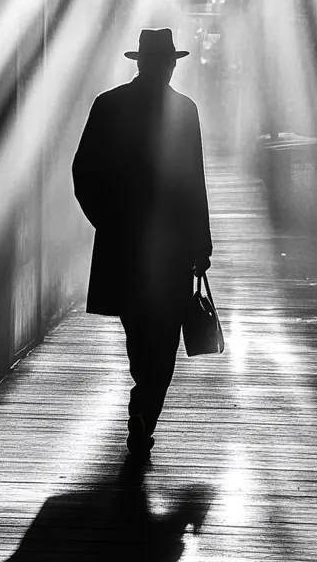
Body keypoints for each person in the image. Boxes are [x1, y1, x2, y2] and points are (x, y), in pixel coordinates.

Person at [72, 28, 212, 461]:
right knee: (165, 336)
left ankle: (142, 401)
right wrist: (201, 246)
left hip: (124, 248)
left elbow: (83, 173)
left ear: (140, 62)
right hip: (171, 249)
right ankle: (145, 410)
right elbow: (195, 183)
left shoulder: (109, 105)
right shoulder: (185, 110)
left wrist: (108, 222)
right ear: (169, 63)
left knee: (137, 330)